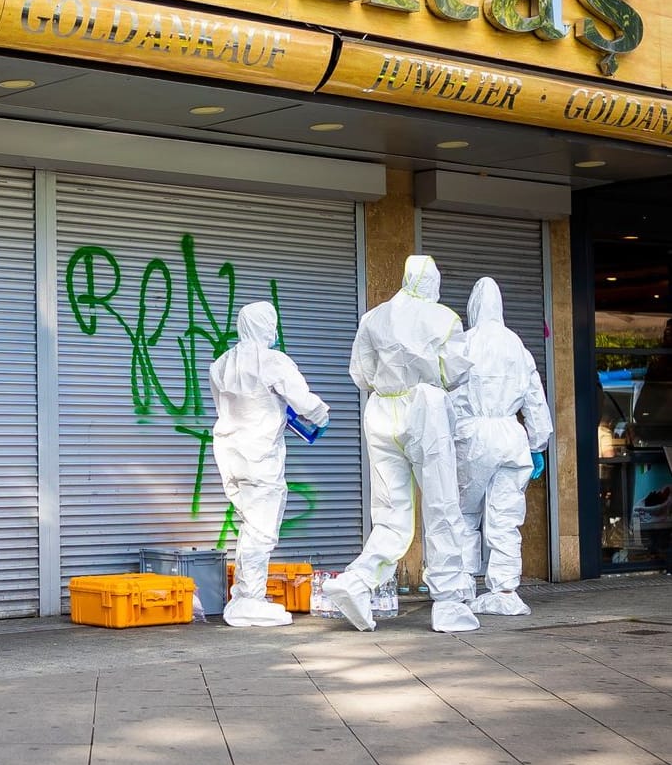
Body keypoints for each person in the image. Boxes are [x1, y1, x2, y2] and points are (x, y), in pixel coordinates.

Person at [322, 254, 480, 633]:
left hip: (381, 410)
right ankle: (449, 602)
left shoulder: (373, 317)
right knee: (442, 506)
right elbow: (454, 372)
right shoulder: (444, 318)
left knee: (391, 512)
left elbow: (360, 373)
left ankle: (356, 583)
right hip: (425, 406)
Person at [209, 302, 329, 627]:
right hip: (260, 455)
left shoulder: (220, 365)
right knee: (261, 531)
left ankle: (244, 596)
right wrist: (322, 415)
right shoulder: (274, 361)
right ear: (267, 325)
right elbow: (304, 401)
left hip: (230, 453)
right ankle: (250, 598)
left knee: (249, 525)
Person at [452, 277, 553, 615]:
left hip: (473, 437)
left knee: (464, 514)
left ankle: (463, 587)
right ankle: (506, 590)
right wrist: (538, 443)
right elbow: (535, 399)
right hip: (512, 438)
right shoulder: (517, 346)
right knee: (505, 518)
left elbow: (451, 395)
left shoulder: (463, 343)